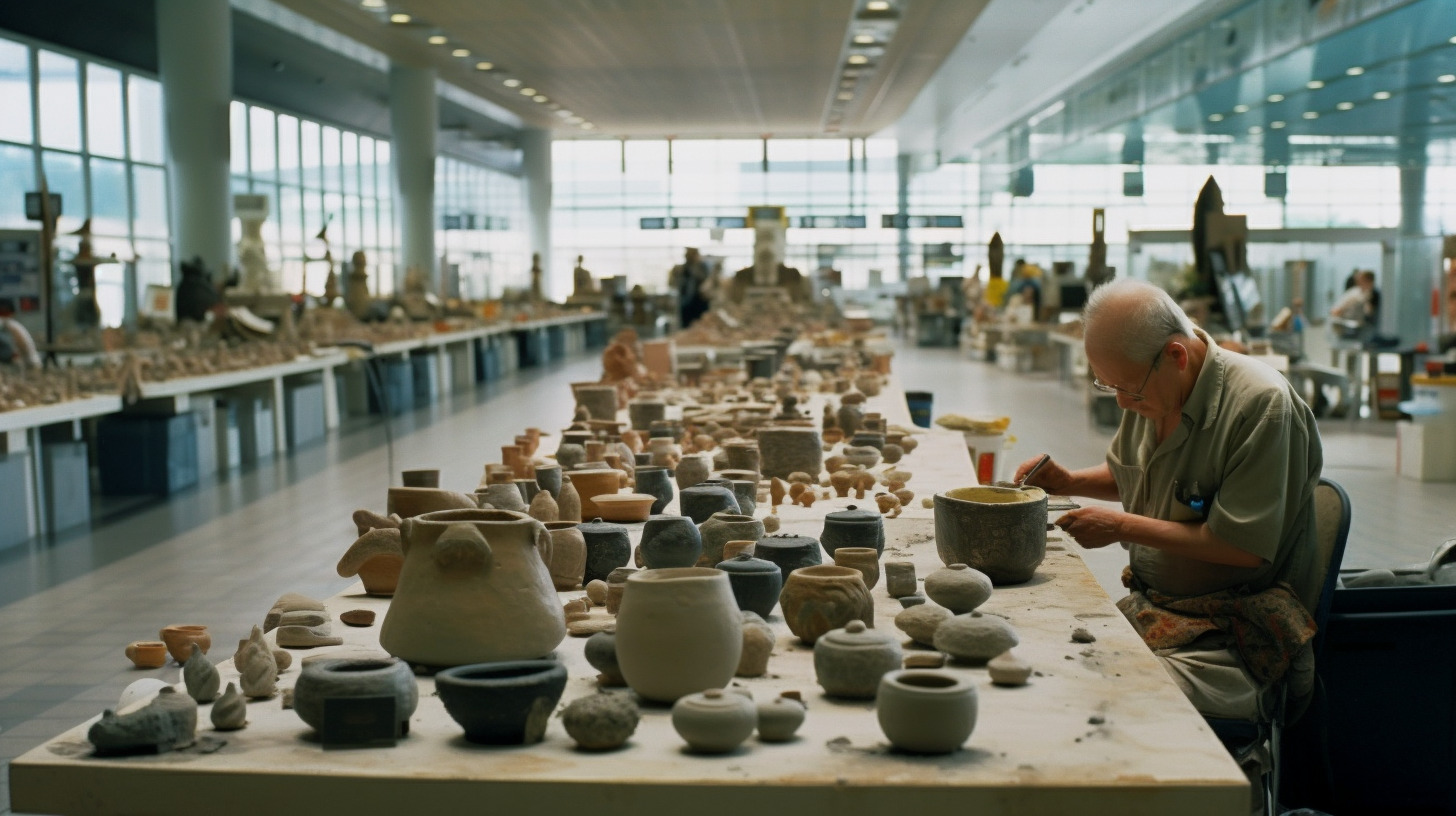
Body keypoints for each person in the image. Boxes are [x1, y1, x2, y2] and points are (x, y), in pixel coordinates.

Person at [1013, 278, 1323, 726]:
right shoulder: (1153, 390)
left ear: (1176, 356)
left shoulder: (1261, 407)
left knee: (1108, 703)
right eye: (1108, 385)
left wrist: (1121, 527)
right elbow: (1141, 477)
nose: (1121, 400)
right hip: (1156, 610)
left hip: (1230, 639)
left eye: (1129, 389)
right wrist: (1068, 481)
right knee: (1047, 664)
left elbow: (1240, 546)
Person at [1328, 269, 1376, 342]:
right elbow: (1336, 310)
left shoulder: (1371, 294)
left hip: (1358, 326)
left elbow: (1369, 312)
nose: (1358, 281)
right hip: (1347, 323)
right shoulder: (1354, 293)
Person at [668, 247, 711, 328]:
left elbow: (706, 281)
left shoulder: (703, 267)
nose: (688, 256)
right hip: (686, 302)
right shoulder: (682, 269)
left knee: (700, 325)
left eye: (691, 254)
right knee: (686, 325)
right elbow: (674, 283)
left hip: (699, 301)